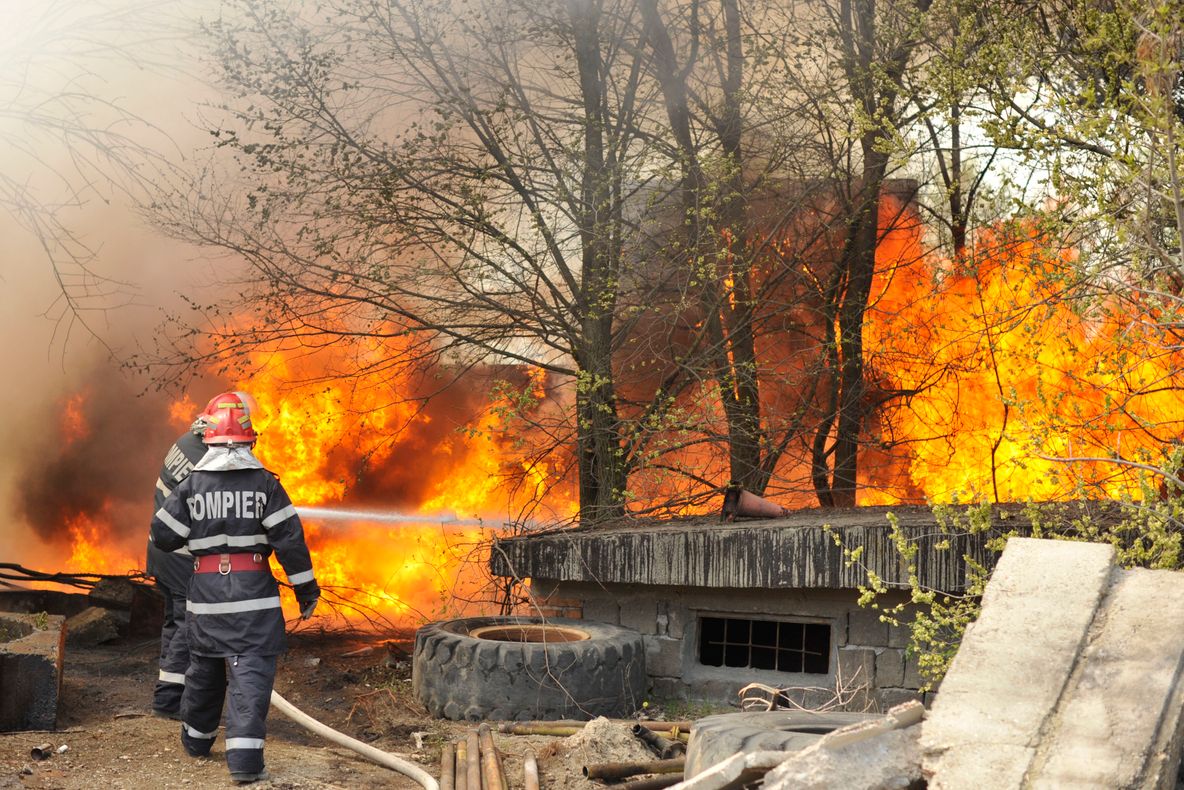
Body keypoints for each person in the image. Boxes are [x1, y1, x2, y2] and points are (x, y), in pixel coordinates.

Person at [150, 393, 319, 785]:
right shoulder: (266, 485)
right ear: (249, 440)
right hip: (252, 604)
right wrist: (306, 591)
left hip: (206, 601)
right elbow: (290, 543)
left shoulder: (192, 486)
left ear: (207, 439)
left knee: (204, 673)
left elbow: (162, 535)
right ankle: (244, 764)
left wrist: (201, 542)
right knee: (250, 681)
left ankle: (196, 741)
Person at [147, 390, 260, 719]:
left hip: (162, 551)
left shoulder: (186, 441)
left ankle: (169, 694)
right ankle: (169, 702)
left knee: (174, 623)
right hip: (182, 557)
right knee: (187, 626)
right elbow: (224, 509)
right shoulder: (208, 459)